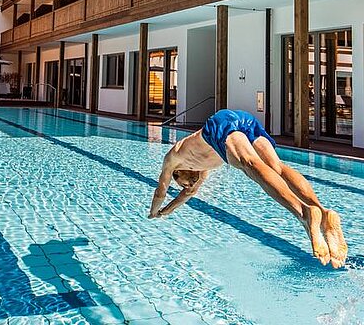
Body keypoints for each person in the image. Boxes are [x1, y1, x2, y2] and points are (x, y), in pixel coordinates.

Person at [148, 109, 348, 267]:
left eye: (182, 183)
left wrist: (153, 212)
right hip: (243, 119)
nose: (188, 185)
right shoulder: (202, 172)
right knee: (276, 166)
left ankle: (304, 213)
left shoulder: (172, 158)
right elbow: (186, 195)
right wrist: (165, 212)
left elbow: (161, 190)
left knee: (250, 164)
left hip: (220, 125)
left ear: (178, 173)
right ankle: (322, 213)